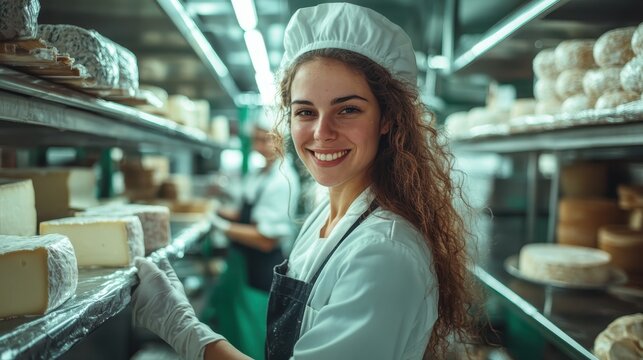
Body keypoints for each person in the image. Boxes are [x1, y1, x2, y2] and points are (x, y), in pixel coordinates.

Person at [131, 3, 478, 360]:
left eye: (348, 109)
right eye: (305, 112)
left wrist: (186, 332)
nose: (321, 132)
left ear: (387, 118)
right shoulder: (326, 216)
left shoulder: (385, 254)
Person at [204, 110, 301, 359]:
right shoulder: (261, 174)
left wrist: (221, 227)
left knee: (250, 338)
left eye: (267, 139)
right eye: (257, 139)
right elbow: (244, 213)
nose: (260, 145)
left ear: (282, 140)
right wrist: (217, 211)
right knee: (232, 331)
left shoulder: (281, 180)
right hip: (242, 266)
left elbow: (265, 239)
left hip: (259, 271)